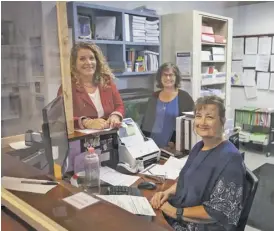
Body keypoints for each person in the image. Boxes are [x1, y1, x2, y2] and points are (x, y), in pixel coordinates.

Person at [150, 95, 246, 231]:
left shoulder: (231, 159)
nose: (202, 122)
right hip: (182, 216)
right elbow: (186, 180)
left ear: (222, 121)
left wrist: (174, 212)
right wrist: (167, 193)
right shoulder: (198, 147)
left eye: (210, 117)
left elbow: (219, 211)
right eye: (199, 116)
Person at [58, 42, 124, 130]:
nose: (88, 62)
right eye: (82, 59)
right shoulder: (67, 87)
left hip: (108, 135)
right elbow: (61, 117)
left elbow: (119, 105)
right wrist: (86, 122)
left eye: (91, 58)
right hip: (82, 140)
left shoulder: (106, 81)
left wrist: (115, 116)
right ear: (74, 64)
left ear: (97, 61)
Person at [141, 62, 194, 148]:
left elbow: (190, 124)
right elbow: (146, 122)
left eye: (171, 75)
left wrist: (175, 141)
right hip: (152, 145)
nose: (168, 78)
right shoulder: (154, 97)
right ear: (160, 78)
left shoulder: (185, 98)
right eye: (164, 75)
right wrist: (144, 141)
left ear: (176, 77)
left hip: (174, 146)